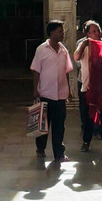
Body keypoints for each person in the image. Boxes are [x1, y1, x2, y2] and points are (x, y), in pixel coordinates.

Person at [30, 20, 73, 164]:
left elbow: (66, 70)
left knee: (59, 125)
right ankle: (40, 148)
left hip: (60, 94)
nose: (62, 34)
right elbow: (36, 70)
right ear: (52, 32)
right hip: (46, 93)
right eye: (60, 31)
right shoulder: (41, 49)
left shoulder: (63, 50)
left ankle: (59, 153)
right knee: (44, 126)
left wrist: (68, 89)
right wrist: (35, 89)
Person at [73, 20, 102, 156]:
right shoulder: (84, 45)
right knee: (87, 117)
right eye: (93, 31)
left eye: (97, 30)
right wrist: (84, 45)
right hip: (87, 87)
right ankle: (86, 141)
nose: (96, 33)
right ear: (87, 34)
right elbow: (76, 57)